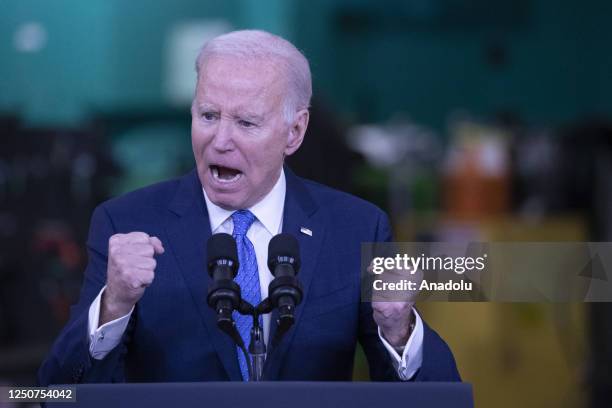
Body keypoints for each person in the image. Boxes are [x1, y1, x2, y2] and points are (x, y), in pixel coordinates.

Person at [38, 30, 460, 384]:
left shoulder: (358, 228)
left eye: (246, 123)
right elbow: (55, 392)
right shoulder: (125, 223)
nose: (220, 140)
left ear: (294, 132)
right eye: (208, 115)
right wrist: (113, 306)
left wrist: (400, 330)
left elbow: (440, 396)